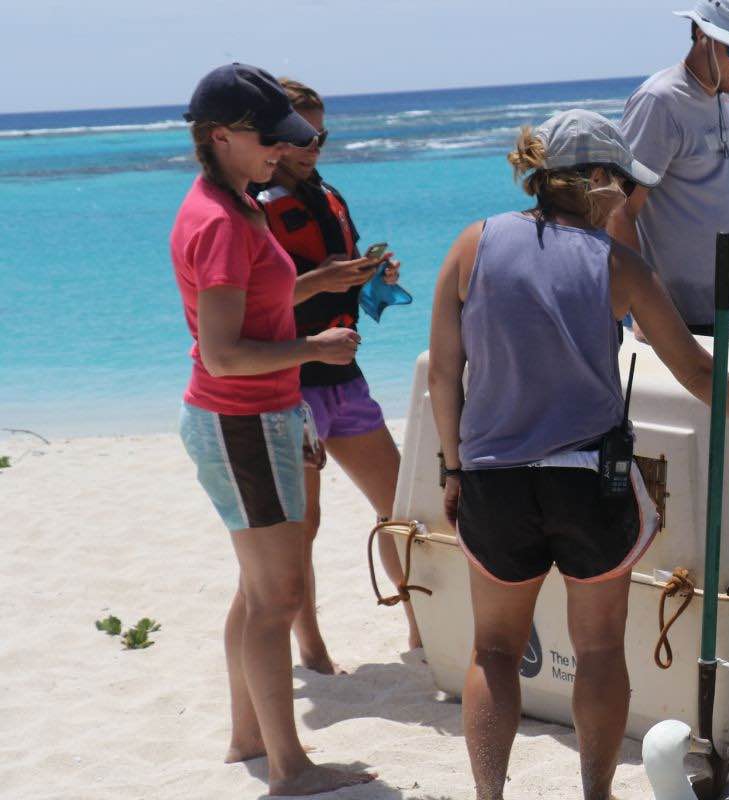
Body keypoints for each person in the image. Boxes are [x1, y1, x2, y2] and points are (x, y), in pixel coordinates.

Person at [429, 109, 729, 800]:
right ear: (596, 179)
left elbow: (447, 374)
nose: (631, 199)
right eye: (625, 184)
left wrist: (452, 467)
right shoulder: (618, 265)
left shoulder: (471, 245)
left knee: (494, 651)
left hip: (493, 483)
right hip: (588, 484)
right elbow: (695, 373)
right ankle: (597, 796)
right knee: (598, 651)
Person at [170, 63, 375, 795]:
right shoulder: (222, 221)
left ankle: (247, 738)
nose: (280, 152)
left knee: (259, 592)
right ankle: (289, 767)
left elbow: (262, 298)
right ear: (219, 137)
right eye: (269, 139)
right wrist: (311, 350)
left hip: (256, 418)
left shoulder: (235, 202)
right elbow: (224, 353)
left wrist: (322, 285)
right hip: (242, 421)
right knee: (277, 597)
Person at [255, 78, 422, 670]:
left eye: (320, 134)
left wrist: (370, 274)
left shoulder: (329, 195)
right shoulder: (252, 208)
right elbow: (247, 309)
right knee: (304, 524)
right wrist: (322, 280)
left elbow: (336, 279)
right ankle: (312, 646)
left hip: (344, 381)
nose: (314, 145)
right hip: (288, 385)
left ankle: (420, 627)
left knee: (402, 507)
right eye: (302, 135)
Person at [610, 0, 729, 338]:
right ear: (701, 34)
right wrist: (645, 306)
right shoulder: (661, 101)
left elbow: (689, 180)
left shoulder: (719, 95)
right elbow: (619, 210)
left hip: (718, 312)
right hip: (674, 321)